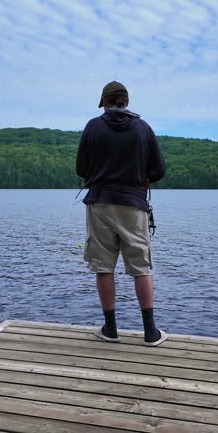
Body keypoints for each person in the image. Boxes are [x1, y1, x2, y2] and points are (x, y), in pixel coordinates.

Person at [76, 81, 168, 346]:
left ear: (104, 102)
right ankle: (150, 332)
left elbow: (81, 167)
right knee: (141, 267)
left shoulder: (93, 126)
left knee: (103, 266)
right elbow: (158, 170)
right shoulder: (143, 128)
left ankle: (110, 329)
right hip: (134, 204)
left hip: (100, 202)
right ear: (126, 102)